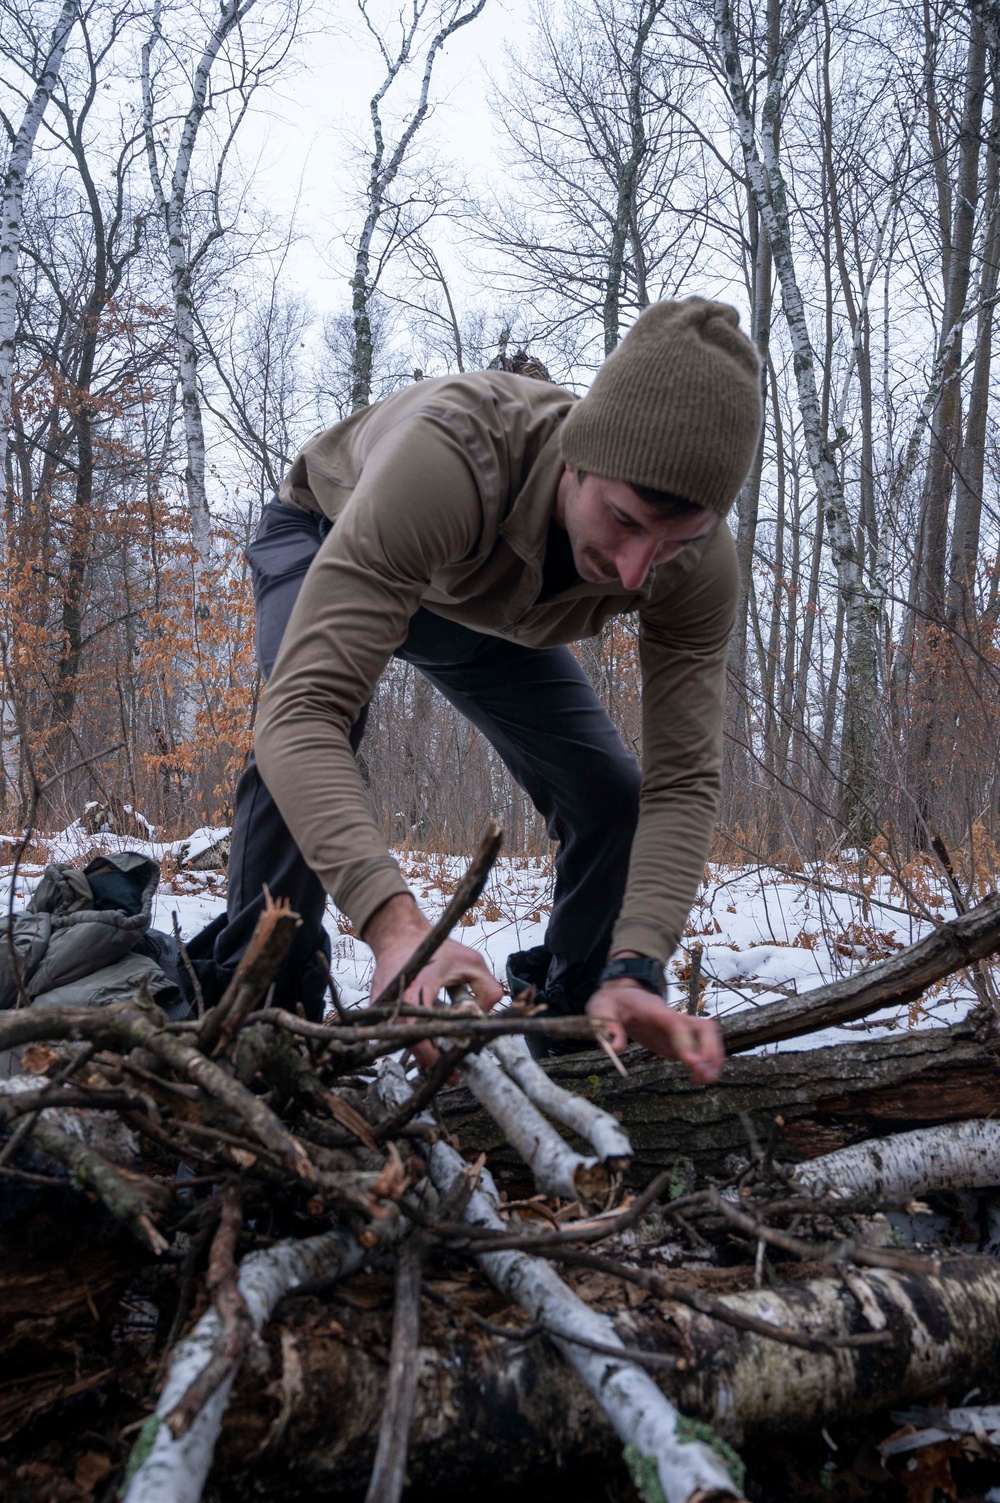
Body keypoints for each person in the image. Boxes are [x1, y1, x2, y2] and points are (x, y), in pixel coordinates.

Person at [189, 298, 762, 1085]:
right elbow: (301, 714)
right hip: (328, 531)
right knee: (307, 733)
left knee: (609, 794)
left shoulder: (696, 566)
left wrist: (641, 960)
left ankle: (583, 1014)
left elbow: (681, 781)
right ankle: (259, 1020)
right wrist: (397, 926)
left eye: (676, 543)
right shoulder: (452, 455)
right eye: (625, 521)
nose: (637, 571)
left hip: (485, 608)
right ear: (578, 459)